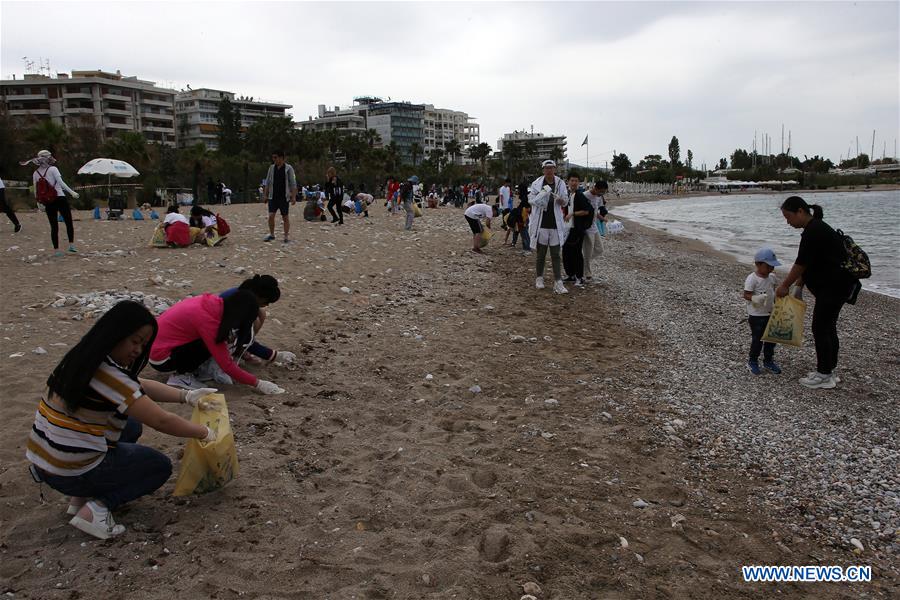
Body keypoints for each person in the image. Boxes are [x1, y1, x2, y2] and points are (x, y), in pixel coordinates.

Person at [26, 301, 216, 540]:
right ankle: (98, 508)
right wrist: (203, 432)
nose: (137, 350)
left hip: (46, 464)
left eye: (143, 345)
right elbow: (162, 421)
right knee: (157, 467)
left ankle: (79, 500)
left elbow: (139, 385)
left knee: (131, 425)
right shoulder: (110, 376)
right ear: (114, 334)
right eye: (134, 342)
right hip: (70, 471)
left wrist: (186, 396)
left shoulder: (81, 360)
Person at [775, 196, 854, 389]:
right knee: (828, 327)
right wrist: (800, 285)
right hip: (838, 286)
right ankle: (829, 370)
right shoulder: (817, 227)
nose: (787, 222)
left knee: (821, 328)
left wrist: (785, 285)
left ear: (800, 212)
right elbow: (812, 261)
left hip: (834, 288)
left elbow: (800, 263)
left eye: (788, 217)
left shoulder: (813, 231)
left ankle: (824, 374)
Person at [149, 290, 284, 395]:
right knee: (212, 344)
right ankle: (181, 376)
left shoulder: (214, 303)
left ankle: (191, 369)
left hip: (159, 347)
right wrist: (258, 383)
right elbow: (227, 365)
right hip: (162, 359)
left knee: (217, 342)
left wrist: (274, 355)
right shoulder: (210, 322)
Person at [196, 275, 297, 384]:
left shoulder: (242, 294)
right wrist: (274, 356)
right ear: (259, 296)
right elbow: (244, 337)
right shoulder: (238, 307)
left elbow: (245, 335)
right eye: (266, 301)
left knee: (261, 314)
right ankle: (230, 354)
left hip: (213, 329)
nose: (267, 305)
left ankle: (239, 350)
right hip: (205, 338)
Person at [22, 150, 79, 256]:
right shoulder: (53, 169)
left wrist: (38, 202)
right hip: (60, 198)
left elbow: (36, 189)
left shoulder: (35, 173)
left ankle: (56, 250)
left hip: (47, 201)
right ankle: (71, 245)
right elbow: (61, 183)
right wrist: (72, 192)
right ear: (48, 159)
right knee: (68, 222)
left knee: (54, 226)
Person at [528, 160, 570, 294]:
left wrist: (560, 200)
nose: (549, 170)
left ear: (555, 169)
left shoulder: (560, 183)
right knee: (541, 254)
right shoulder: (536, 183)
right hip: (541, 224)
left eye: (551, 168)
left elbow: (565, 202)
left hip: (555, 224)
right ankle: (539, 278)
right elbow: (531, 200)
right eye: (547, 168)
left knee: (556, 254)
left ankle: (558, 282)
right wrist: (541, 196)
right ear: (543, 170)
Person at [743, 248, 783, 376]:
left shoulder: (772, 277)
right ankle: (752, 361)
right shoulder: (752, 278)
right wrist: (755, 298)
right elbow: (746, 294)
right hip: (756, 315)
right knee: (758, 339)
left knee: (771, 339)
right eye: (768, 266)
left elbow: (774, 290)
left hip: (770, 313)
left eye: (773, 266)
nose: (771, 269)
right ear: (758, 264)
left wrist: (777, 304)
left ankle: (768, 360)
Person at [561, 171, 594, 287]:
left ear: (578, 182)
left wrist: (572, 214)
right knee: (566, 252)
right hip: (568, 229)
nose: (574, 183)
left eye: (576, 181)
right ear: (568, 182)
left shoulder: (580, 195)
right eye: (572, 180)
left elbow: (586, 211)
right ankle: (570, 275)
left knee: (576, 253)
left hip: (577, 229)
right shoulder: (569, 194)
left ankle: (579, 277)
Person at [261, 150, 298, 243]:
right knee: (271, 216)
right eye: (273, 157)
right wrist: (265, 195)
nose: (274, 159)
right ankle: (272, 234)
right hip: (272, 197)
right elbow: (267, 182)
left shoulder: (289, 168)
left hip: (284, 197)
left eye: (275, 157)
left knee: (285, 217)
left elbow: (293, 183)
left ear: (281, 158)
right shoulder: (271, 168)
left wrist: (293, 197)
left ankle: (286, 237)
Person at [582, 180, 608, 282]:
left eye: (604, 192)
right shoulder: (585, 196)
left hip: (594, 226)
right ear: (595, 188)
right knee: (588, 251)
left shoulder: (598, 197)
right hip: (586, 228)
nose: (602, 194)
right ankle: (587, 274)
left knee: (599, 249)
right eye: (601, 191)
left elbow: (595, 211)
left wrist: (602, 218)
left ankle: (583, 262)